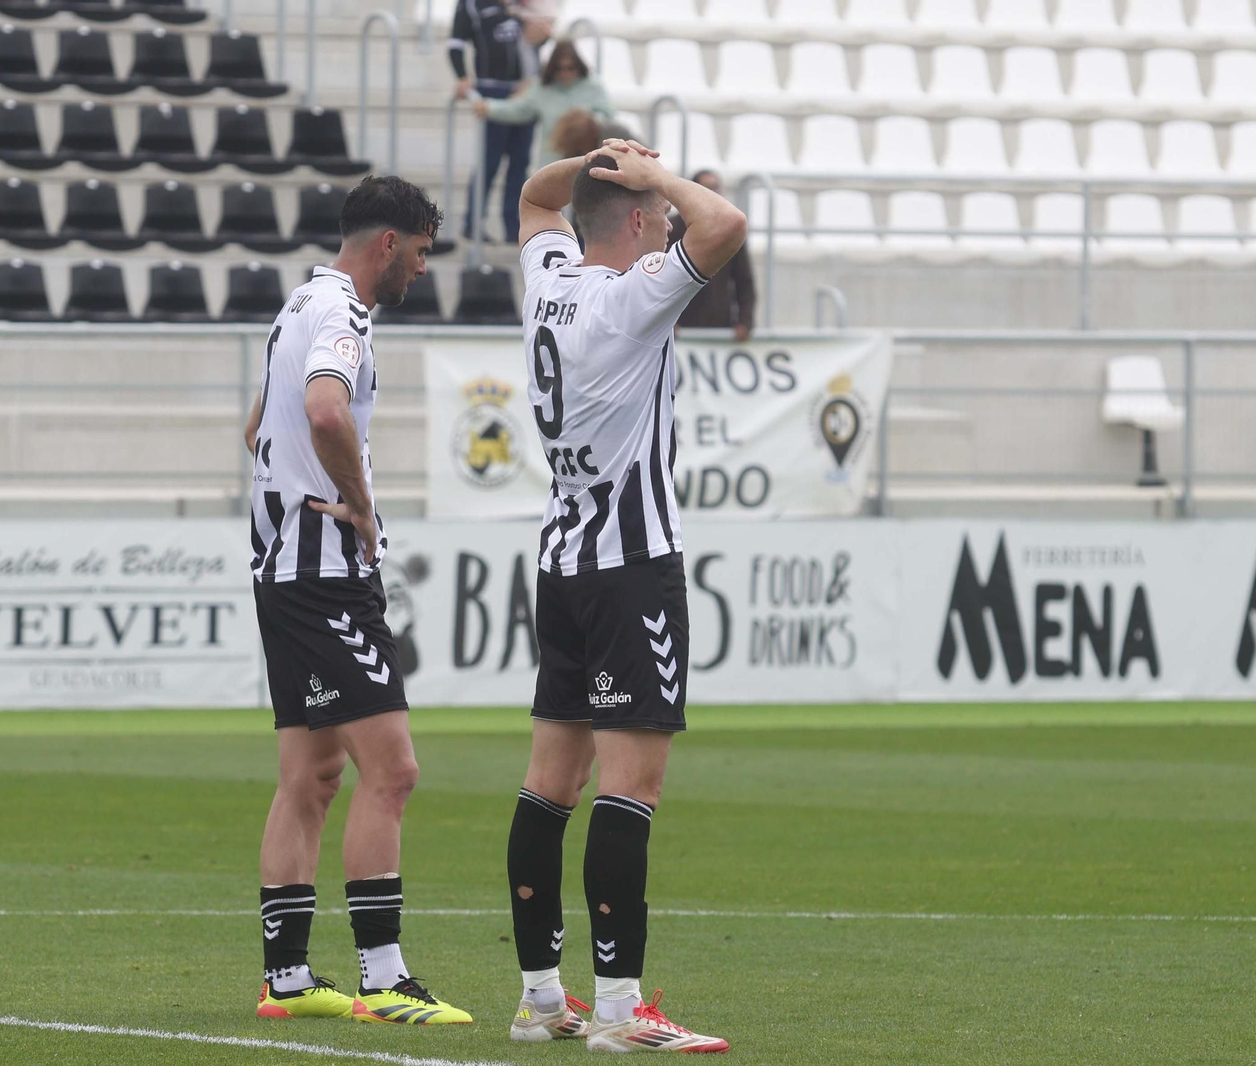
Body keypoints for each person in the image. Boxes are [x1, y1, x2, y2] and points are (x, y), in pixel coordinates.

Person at [504, 140, 745, 1052]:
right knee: (630, 786)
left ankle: (538, 997)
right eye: (656, 216)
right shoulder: (634, 296)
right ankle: (617, 1011)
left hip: (562, 562)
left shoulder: (551, 277)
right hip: (632, 563)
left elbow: (534, 197)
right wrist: (649, 174)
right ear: (639, 222)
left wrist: (595, 160)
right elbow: (725, 225)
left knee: (548, 784)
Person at [244, 175, 471, 1027]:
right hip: (326, 570)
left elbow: (257, 426)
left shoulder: (299, 304)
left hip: (280, 566)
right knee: (394, 770)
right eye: (419, 252)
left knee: (311, 775)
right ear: (389, 244)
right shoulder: (342, 316)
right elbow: (325, 412)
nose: (419, 268)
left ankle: (289, 980)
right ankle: (384, 979)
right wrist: (360, 504)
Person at [448, 0, 531, 242]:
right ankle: (473, 223)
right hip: (491, 89)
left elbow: (537, 38)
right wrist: (462, 76)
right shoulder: (471, 5)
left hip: (523, 92)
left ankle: (514, 226)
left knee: (520, 163)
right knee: (489, 160)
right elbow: (455, 44)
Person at [472, 39, 613, 171]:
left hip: (588, 163)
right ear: (552, 68)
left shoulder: (593, 86)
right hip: (553, 164)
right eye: (559, 68)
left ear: (579, 66)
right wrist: (490, 107)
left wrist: (583, 124)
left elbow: (608, 115)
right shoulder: (543, 89)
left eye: (570, 67)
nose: (565, 73)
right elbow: (520, 109)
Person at [669, 170, 757, 342]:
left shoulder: (732, 230)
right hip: (681, 333)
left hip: (720, 331)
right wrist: (665, 322)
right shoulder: (671, 229)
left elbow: (744, 282)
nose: (713, 194)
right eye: (707, 188)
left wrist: (745, 322)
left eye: (716, 188)